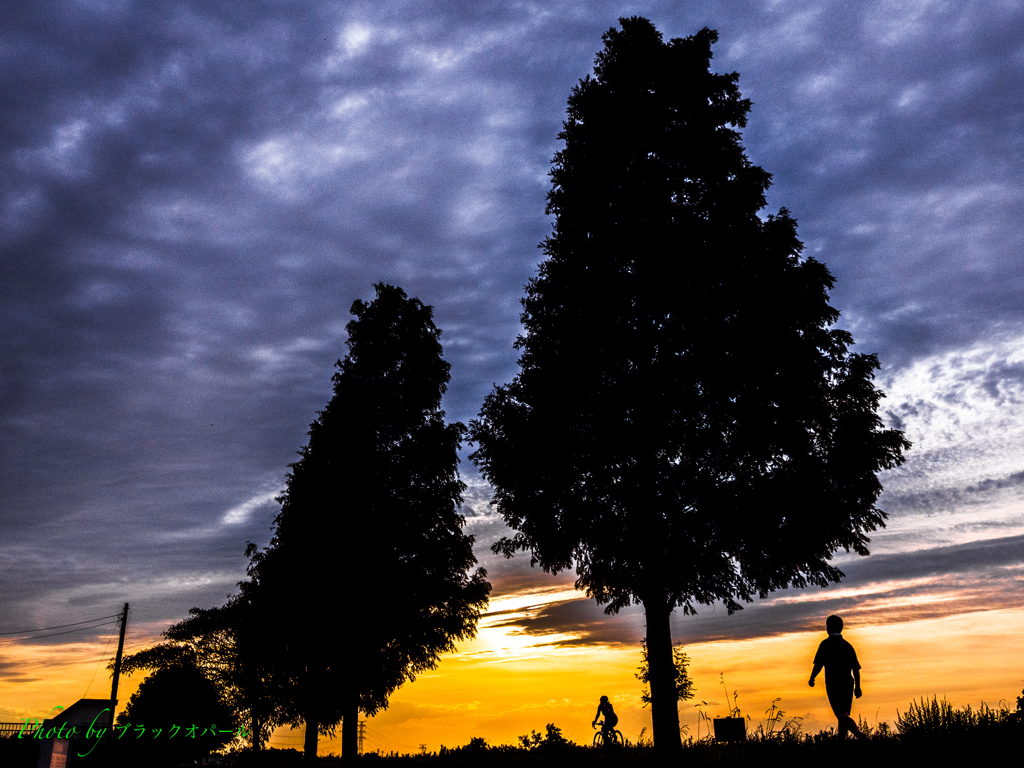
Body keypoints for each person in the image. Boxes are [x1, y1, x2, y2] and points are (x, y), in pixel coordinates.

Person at [809, 615, 866, 739]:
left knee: (841, 715)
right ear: (841, 628)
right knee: (843, 715)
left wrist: (812, 678)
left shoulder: (825, 645)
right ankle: (841, 743)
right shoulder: (847, 646)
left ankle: (861, 737)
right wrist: (857, 686)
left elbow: (818, 664)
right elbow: (855, 669)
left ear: (828, 627)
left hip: (833, 684)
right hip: (847, 684)